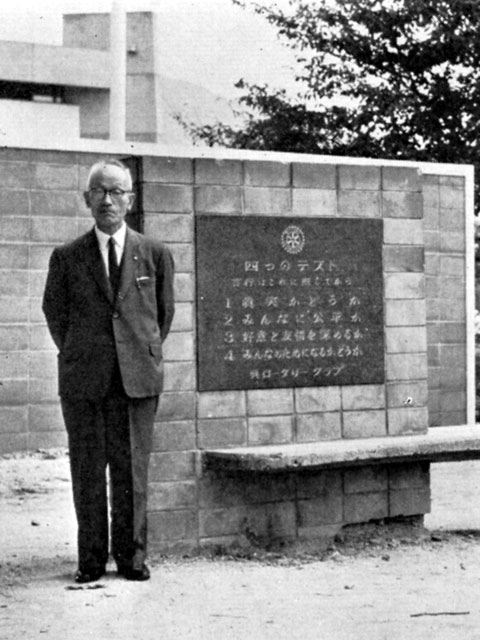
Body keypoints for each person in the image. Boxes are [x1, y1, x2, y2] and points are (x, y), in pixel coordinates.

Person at [42, 159, 175, 583]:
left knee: (132, 472)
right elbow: (55, 315)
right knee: (87, 472)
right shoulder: (67, 257)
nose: (107, 200)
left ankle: (132, 558)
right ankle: (91, 560)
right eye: (99, 191)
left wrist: (133, 355)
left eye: (116, 192)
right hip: (85, 381)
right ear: (87, 199)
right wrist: (84, 354)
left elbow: (162, 316)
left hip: (137, 381)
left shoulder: (154, 254)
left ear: (130, 200)